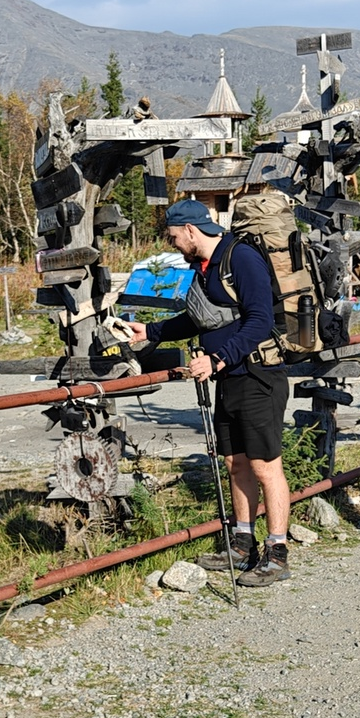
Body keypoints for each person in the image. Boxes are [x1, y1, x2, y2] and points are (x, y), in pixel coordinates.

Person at [119, 198, 293, 587]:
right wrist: (153, 331)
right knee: (235, 463)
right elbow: (202, 317)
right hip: (230, 377)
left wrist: (216, 359)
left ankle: (277, 552)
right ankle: (242, 542)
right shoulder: (206, 268)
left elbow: (260, 320)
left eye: (174, 237)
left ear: (192, 231)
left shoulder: (241, 259)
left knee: (266, 466)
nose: (173, 244)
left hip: (258, 375)